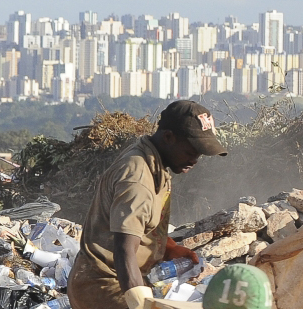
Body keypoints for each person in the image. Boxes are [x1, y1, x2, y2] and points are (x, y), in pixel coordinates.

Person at [68, 100, 228, 309]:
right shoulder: (138, 179)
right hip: (105, 287)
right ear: (169, 137)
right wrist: (141, 304)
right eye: (191, 151)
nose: (195, 159)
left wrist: (169, 249)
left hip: (114, 280)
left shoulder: (153, 160)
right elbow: (124, 250)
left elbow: (141, 224)